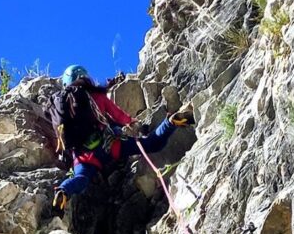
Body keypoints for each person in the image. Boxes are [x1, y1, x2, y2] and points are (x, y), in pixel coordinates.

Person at [51, 65, 194, 212]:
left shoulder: (62, 108)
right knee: (152, 143)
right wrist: (133, 122)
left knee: (82, 178)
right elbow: (119, 116)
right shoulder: (97, 96)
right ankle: (171, 122)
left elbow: (63, 139)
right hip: (110, 146)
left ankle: (63, 190)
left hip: (84, 156)